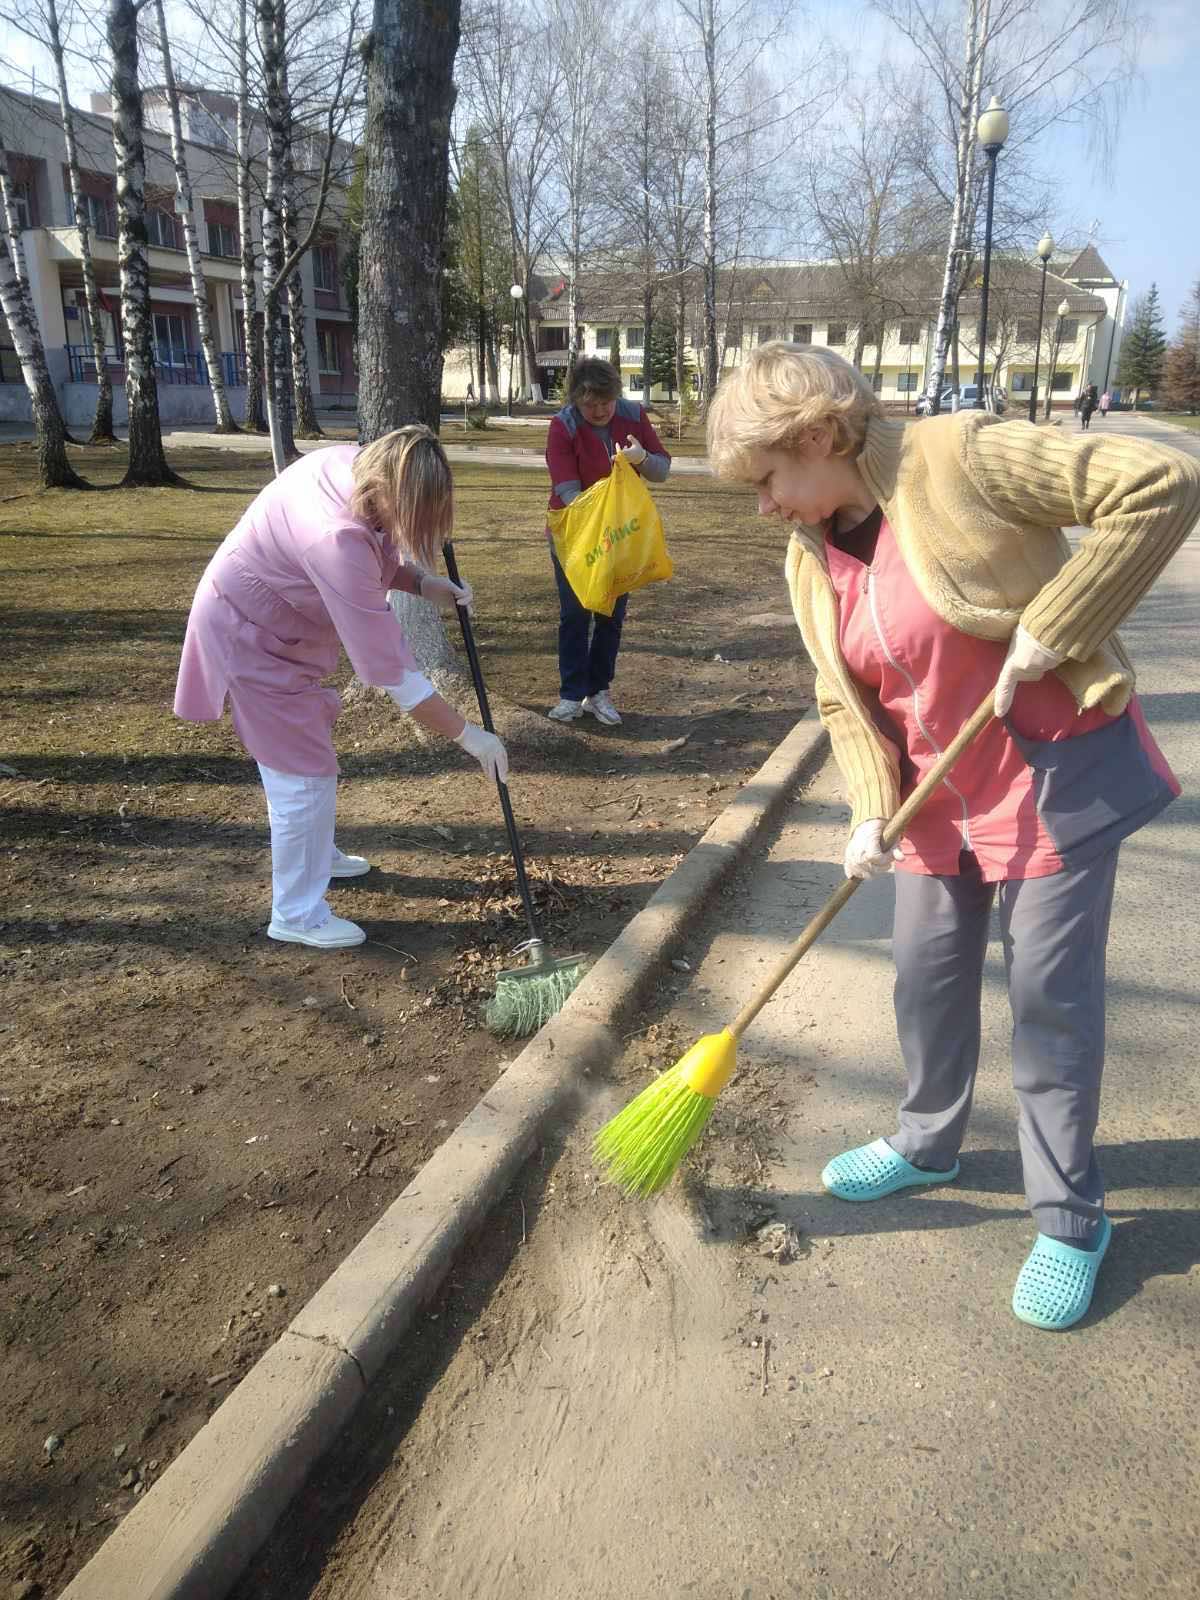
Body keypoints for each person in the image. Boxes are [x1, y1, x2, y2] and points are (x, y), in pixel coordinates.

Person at [707, 341, 1199, 1331]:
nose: (764, 505)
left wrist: (1058, 620)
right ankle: (927, 1140)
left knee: (1048, 1001)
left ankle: (1070, 1220)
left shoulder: (954, 455)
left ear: (817, 436)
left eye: (766, 479)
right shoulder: (809, 555)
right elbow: (842, 702)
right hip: (932, 797)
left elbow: (1162, 480)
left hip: (1048, 772)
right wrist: (862, 809)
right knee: (925, 975)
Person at [174, 428, 508, 950]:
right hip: (248, 637)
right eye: (411, 519)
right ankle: (297, 914)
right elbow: (395, 675)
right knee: (301, 776)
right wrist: (470, 737)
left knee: (311, 763)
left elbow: (378, 541)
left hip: (277, 628)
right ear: (390, 491)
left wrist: (422, 583)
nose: (406, 533)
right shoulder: (335, 539)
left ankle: (316, 855)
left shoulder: (355, 467)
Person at [544, 357, 671, 724]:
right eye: (590, 405)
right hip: (574, 534)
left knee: (611, 615)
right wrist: (600, 522)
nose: (599, 411)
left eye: (606, 403)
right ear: (576, 401)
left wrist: (641, 457)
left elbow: (661, 470)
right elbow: (568, 490)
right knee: (575, 613)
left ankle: (598, 693)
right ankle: (571, 694)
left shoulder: (632, 416)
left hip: (621, 535)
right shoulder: (563, 426)